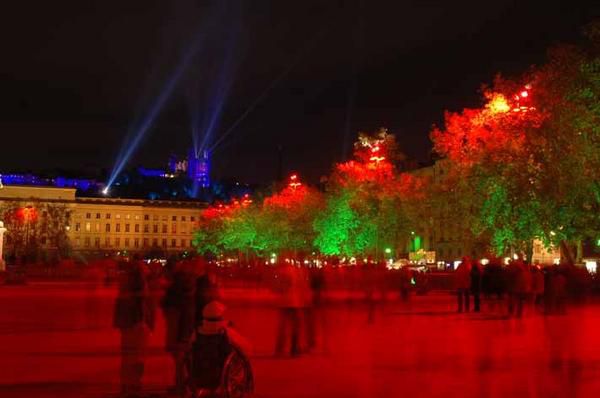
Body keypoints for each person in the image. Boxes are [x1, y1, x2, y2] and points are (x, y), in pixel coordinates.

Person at [113, 257, 155, 397]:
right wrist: (148, 323)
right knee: (137, 357)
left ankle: (126, 385)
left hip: (128, 324)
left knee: (127, 357)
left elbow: (120, 307)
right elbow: (144, 307)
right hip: (137, 324)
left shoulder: (124, 285)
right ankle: (134, 385)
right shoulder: (139, 292)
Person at [161, 259, 196, 395]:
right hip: (185, 328)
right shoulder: (186, 289)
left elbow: (169, 307)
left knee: (180, 360)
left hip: (179, 329)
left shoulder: (175, 289)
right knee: (185, 360)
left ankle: (181, 386)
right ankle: (186, 384)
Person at [274, 263, 304, 356]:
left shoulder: (280, 271)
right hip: (293, 301)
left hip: (284, 301)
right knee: (295, 326)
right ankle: (294, 348)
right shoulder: (295, 270)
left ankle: (279, 348)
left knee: (283, 326)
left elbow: (277, 287)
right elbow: (299, 285)